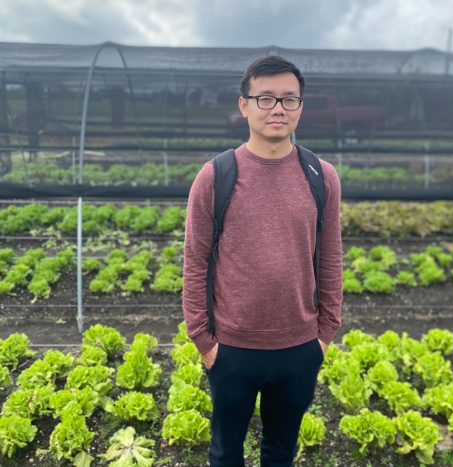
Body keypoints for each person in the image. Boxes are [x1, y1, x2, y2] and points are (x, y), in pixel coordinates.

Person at [182, 55, 343, 467]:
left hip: (300, 347)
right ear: (244, 106)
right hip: (232, 347)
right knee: (225, 451)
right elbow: (196, 260)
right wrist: (204, 339)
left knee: (280, 451)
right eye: (265, 98)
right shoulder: (216, 175)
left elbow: (330, 256)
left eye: (289, 99)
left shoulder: (321, 175)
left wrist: (324, 333)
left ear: (301, 107)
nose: (277, 109)